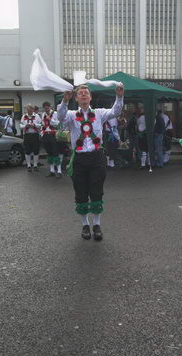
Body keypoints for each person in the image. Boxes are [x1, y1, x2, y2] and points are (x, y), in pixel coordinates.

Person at [57, 83, 124, 241]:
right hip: (79, 158)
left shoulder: (99, 113)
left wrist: (119, 96)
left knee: (96, 191)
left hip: (96, 157)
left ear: (90, 97)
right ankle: (85, 225)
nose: (84, 95)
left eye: (86, 93)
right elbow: (60, 117)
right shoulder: (72, 115)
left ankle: (97, 224)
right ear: (76, 98)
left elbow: (116, 111)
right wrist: (64, 101)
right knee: (80, 192)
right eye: (80, 93)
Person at [41, 101, 62, 178]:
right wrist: (42, 134)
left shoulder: (55, 113)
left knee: (55, 153)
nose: (46, 108)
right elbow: (42, 125)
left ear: (50, 107)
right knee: (49, 153)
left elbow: (58, 124)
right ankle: (52, 171)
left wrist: (51, 120)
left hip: (53, 135)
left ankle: (59, 171)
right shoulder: (43, 114)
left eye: (47, 106)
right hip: (46, 135)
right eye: (45, 107)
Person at [20, 104, 42, 172]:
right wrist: (25, 126)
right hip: (27, 135)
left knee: (36, 150)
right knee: (27, 151)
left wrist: (34, 125)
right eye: (28, 110)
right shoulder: (24, 116)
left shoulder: (37, 116)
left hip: (35, 135)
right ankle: (29, 165)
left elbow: (41, 125)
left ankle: (35, 165)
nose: (29, 111)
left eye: (30, 110)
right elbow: (20, 126)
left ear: (33, 110)